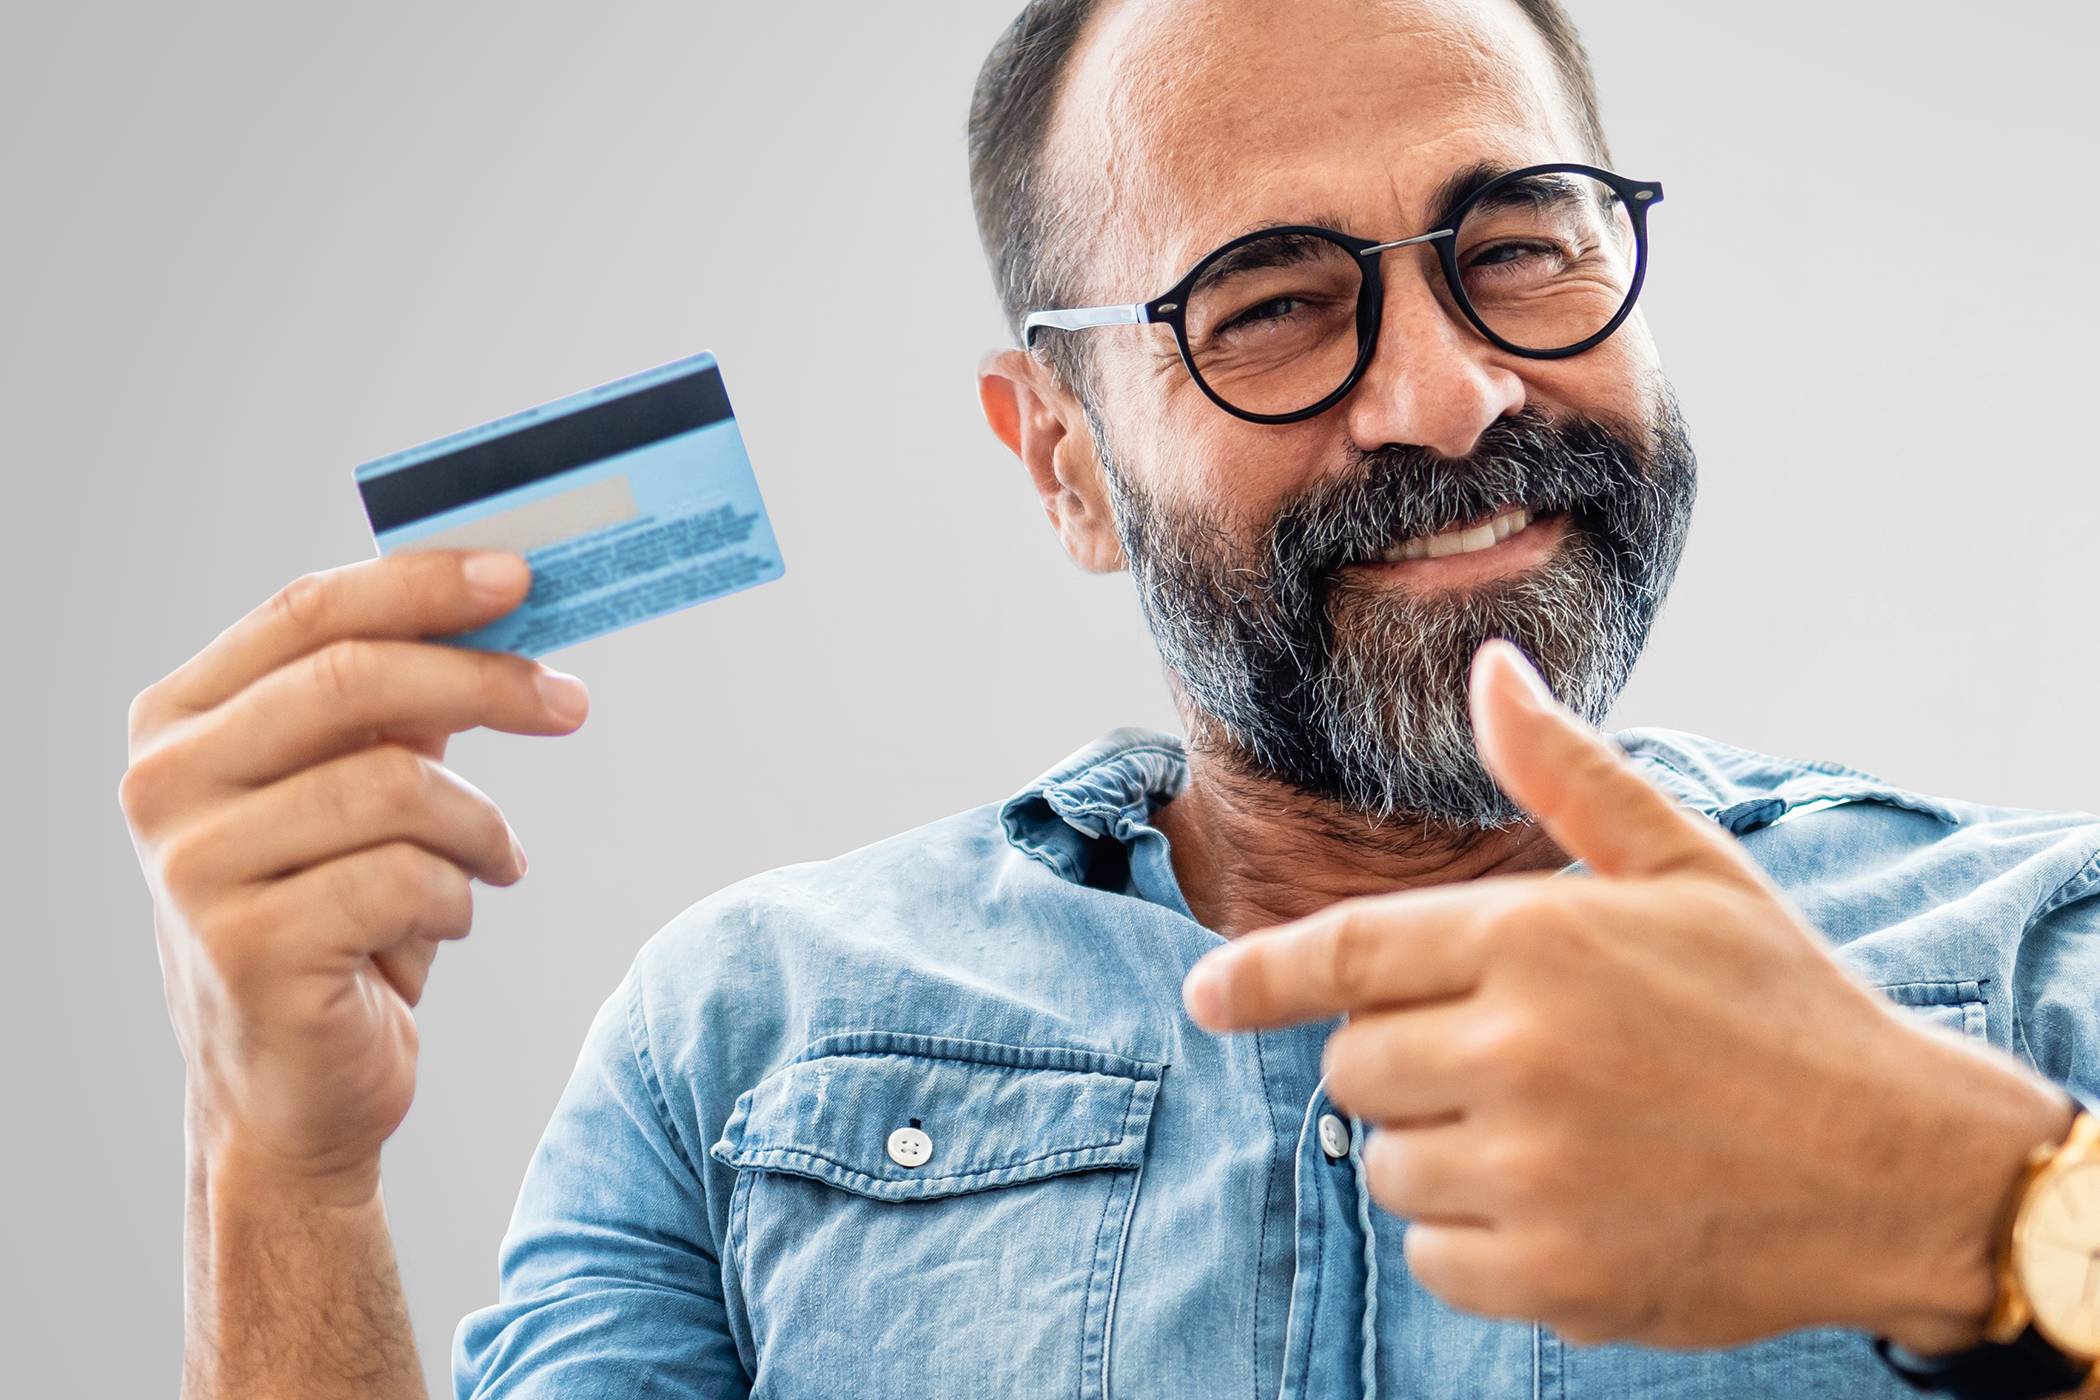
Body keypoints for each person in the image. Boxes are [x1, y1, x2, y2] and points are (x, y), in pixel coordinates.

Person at [118, 1, 2100, 1396]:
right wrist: (281, 1172)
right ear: (1061, 457)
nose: (1447, 393)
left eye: (1520, 249)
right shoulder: (733, 1045)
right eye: (1270, 306)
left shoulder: (2044, 971)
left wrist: (1983, 1215)